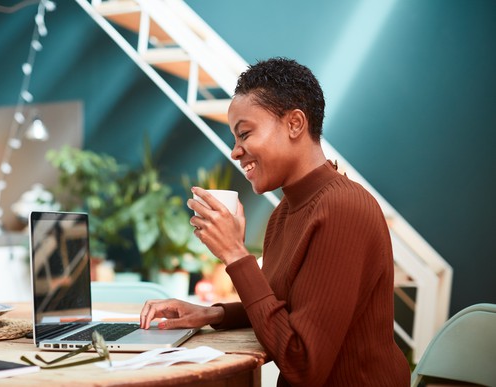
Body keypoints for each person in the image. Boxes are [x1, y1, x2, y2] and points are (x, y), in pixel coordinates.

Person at [140, 57, 410, 386]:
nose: (235, 152)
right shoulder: (285, 212)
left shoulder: (344, 208)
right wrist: (213, 314)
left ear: (295, 123)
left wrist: (235, 254)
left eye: (245, 134)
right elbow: (284, 309)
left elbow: (303, 363)